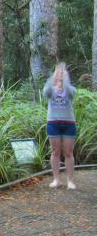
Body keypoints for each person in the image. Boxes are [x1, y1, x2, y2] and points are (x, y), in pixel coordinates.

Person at [43, 62, 77, 190]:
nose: (60, 78)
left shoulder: (71, 90)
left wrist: (64, 78)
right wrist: (54, 76)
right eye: (58, 76)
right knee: (55, 152)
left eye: (63, 76)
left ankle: (70, 181)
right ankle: (56, 179)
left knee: (68, 152)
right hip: (53, 123)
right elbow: (45, 90)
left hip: (68, 123)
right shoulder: (50, 90)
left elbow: (69, 90)